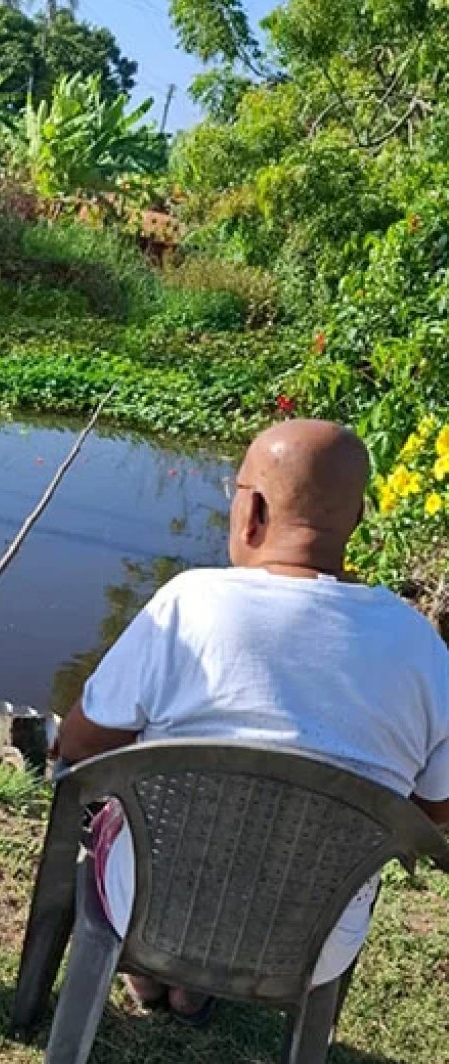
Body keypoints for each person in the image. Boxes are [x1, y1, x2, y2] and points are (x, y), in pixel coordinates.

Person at [57, 419, 449, 1024]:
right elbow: (433, 816)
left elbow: (78, 744)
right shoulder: (423, 647)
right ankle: (197, 988)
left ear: (253, 512)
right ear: (358, 520)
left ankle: (152, 970)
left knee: (107, 807)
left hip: (148, 908)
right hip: (314, 942)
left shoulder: (190, 603)